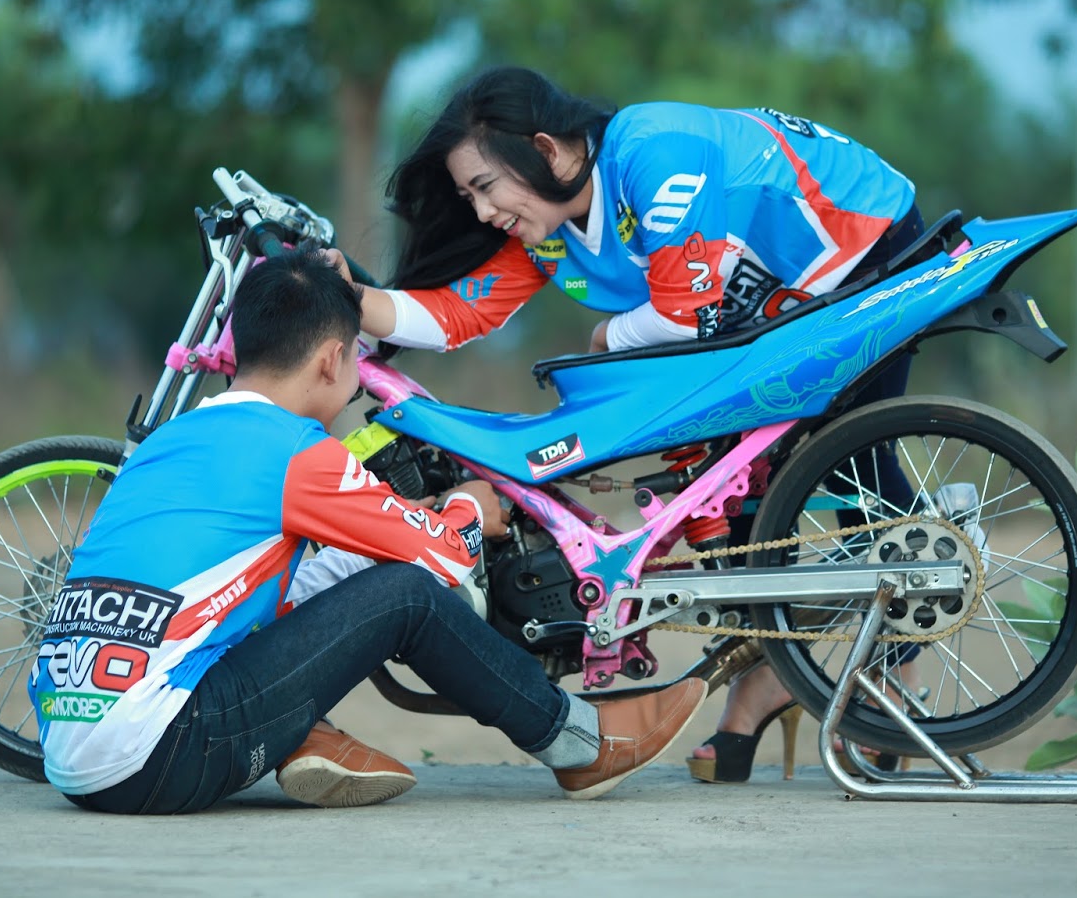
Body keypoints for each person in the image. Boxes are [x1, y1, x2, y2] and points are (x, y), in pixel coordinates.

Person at [329, 66, 929, 784]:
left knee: (852, 465)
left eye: (485, 188)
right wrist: (347, 300)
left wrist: (604, 340)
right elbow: (463, 315)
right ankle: (775, 666)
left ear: (546, 150)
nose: (482, 214)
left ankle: (899, 679)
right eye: (468, 198)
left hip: (865, 246)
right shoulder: (549, 234)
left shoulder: (651, 150)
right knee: (729, 490)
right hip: (769, 303)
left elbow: (683, 316)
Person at [28, 248, 708, 814]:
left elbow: (269, 587)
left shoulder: (169, 441)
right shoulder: (297, 452)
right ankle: (583, 746)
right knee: (406, 595)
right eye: (355, 359)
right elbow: (442, 561)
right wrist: (470, 507)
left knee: (334, 577)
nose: (355, 378)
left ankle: (305, 735)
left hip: (70, 741)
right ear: (330, 359)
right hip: (161, 754)